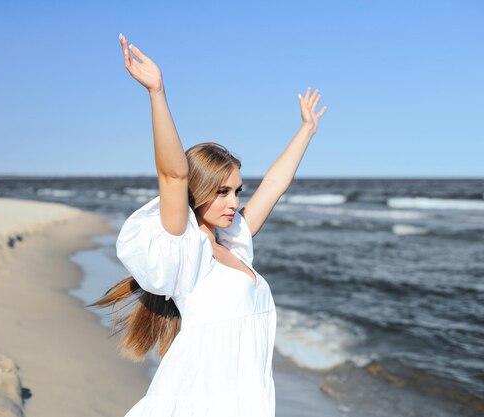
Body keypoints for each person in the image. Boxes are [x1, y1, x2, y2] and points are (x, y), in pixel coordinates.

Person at [89, 33, 327, 417]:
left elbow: (274, 185)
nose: (234, 202)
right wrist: (156, 92)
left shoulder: (234, 245)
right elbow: (172, 175)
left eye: (236, 191)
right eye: (221, 192)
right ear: (198, 191)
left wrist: (306, 131)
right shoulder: (185, 250)